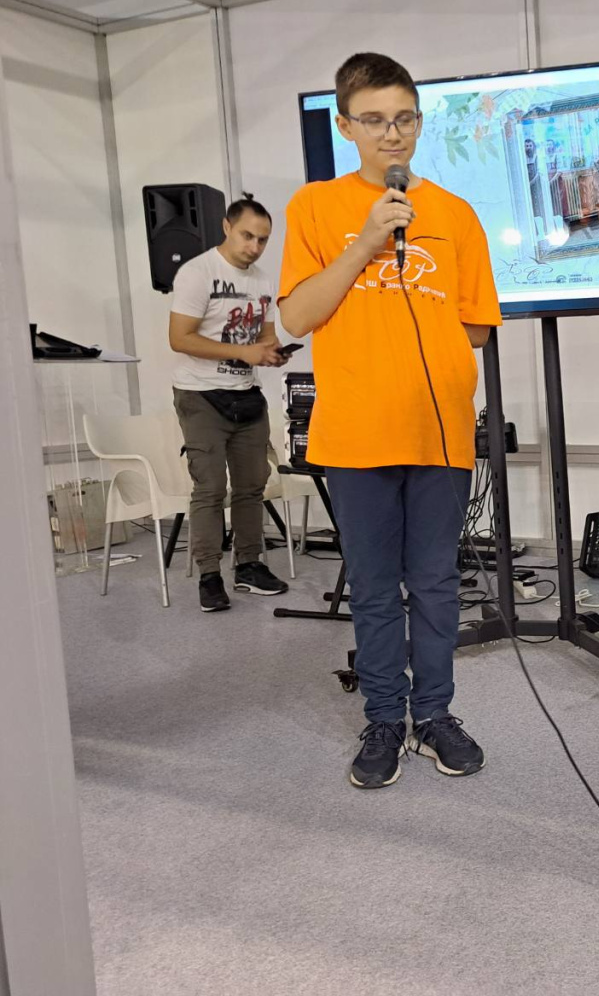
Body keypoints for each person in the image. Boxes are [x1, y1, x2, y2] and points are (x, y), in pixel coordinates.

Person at [278, 53, 503, 789]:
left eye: (403, 118)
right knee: (374, 588)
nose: (391, 133)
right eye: (373, 120)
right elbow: (297, 317)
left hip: (438, 431)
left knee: (435, 584)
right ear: (346, 127)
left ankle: (433, 715)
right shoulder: (315, 207)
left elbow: (476, 327)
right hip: (354, 431)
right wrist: (368, 244)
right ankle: (383, 718)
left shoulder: (456, 214)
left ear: (419, 122)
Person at [168, 193, 290, 613]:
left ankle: (249, 566)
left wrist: (272, 352)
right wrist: (243, 352)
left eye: (263, 240)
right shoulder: (197, 273)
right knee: (210, 487)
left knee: (252, 484)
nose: (254, 247)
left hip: (246, 394)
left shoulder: (264, 280)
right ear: (227, 227)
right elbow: (179, 338)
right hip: (200, 394)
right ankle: (209, 575)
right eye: (247, 236)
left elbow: (265, 336)